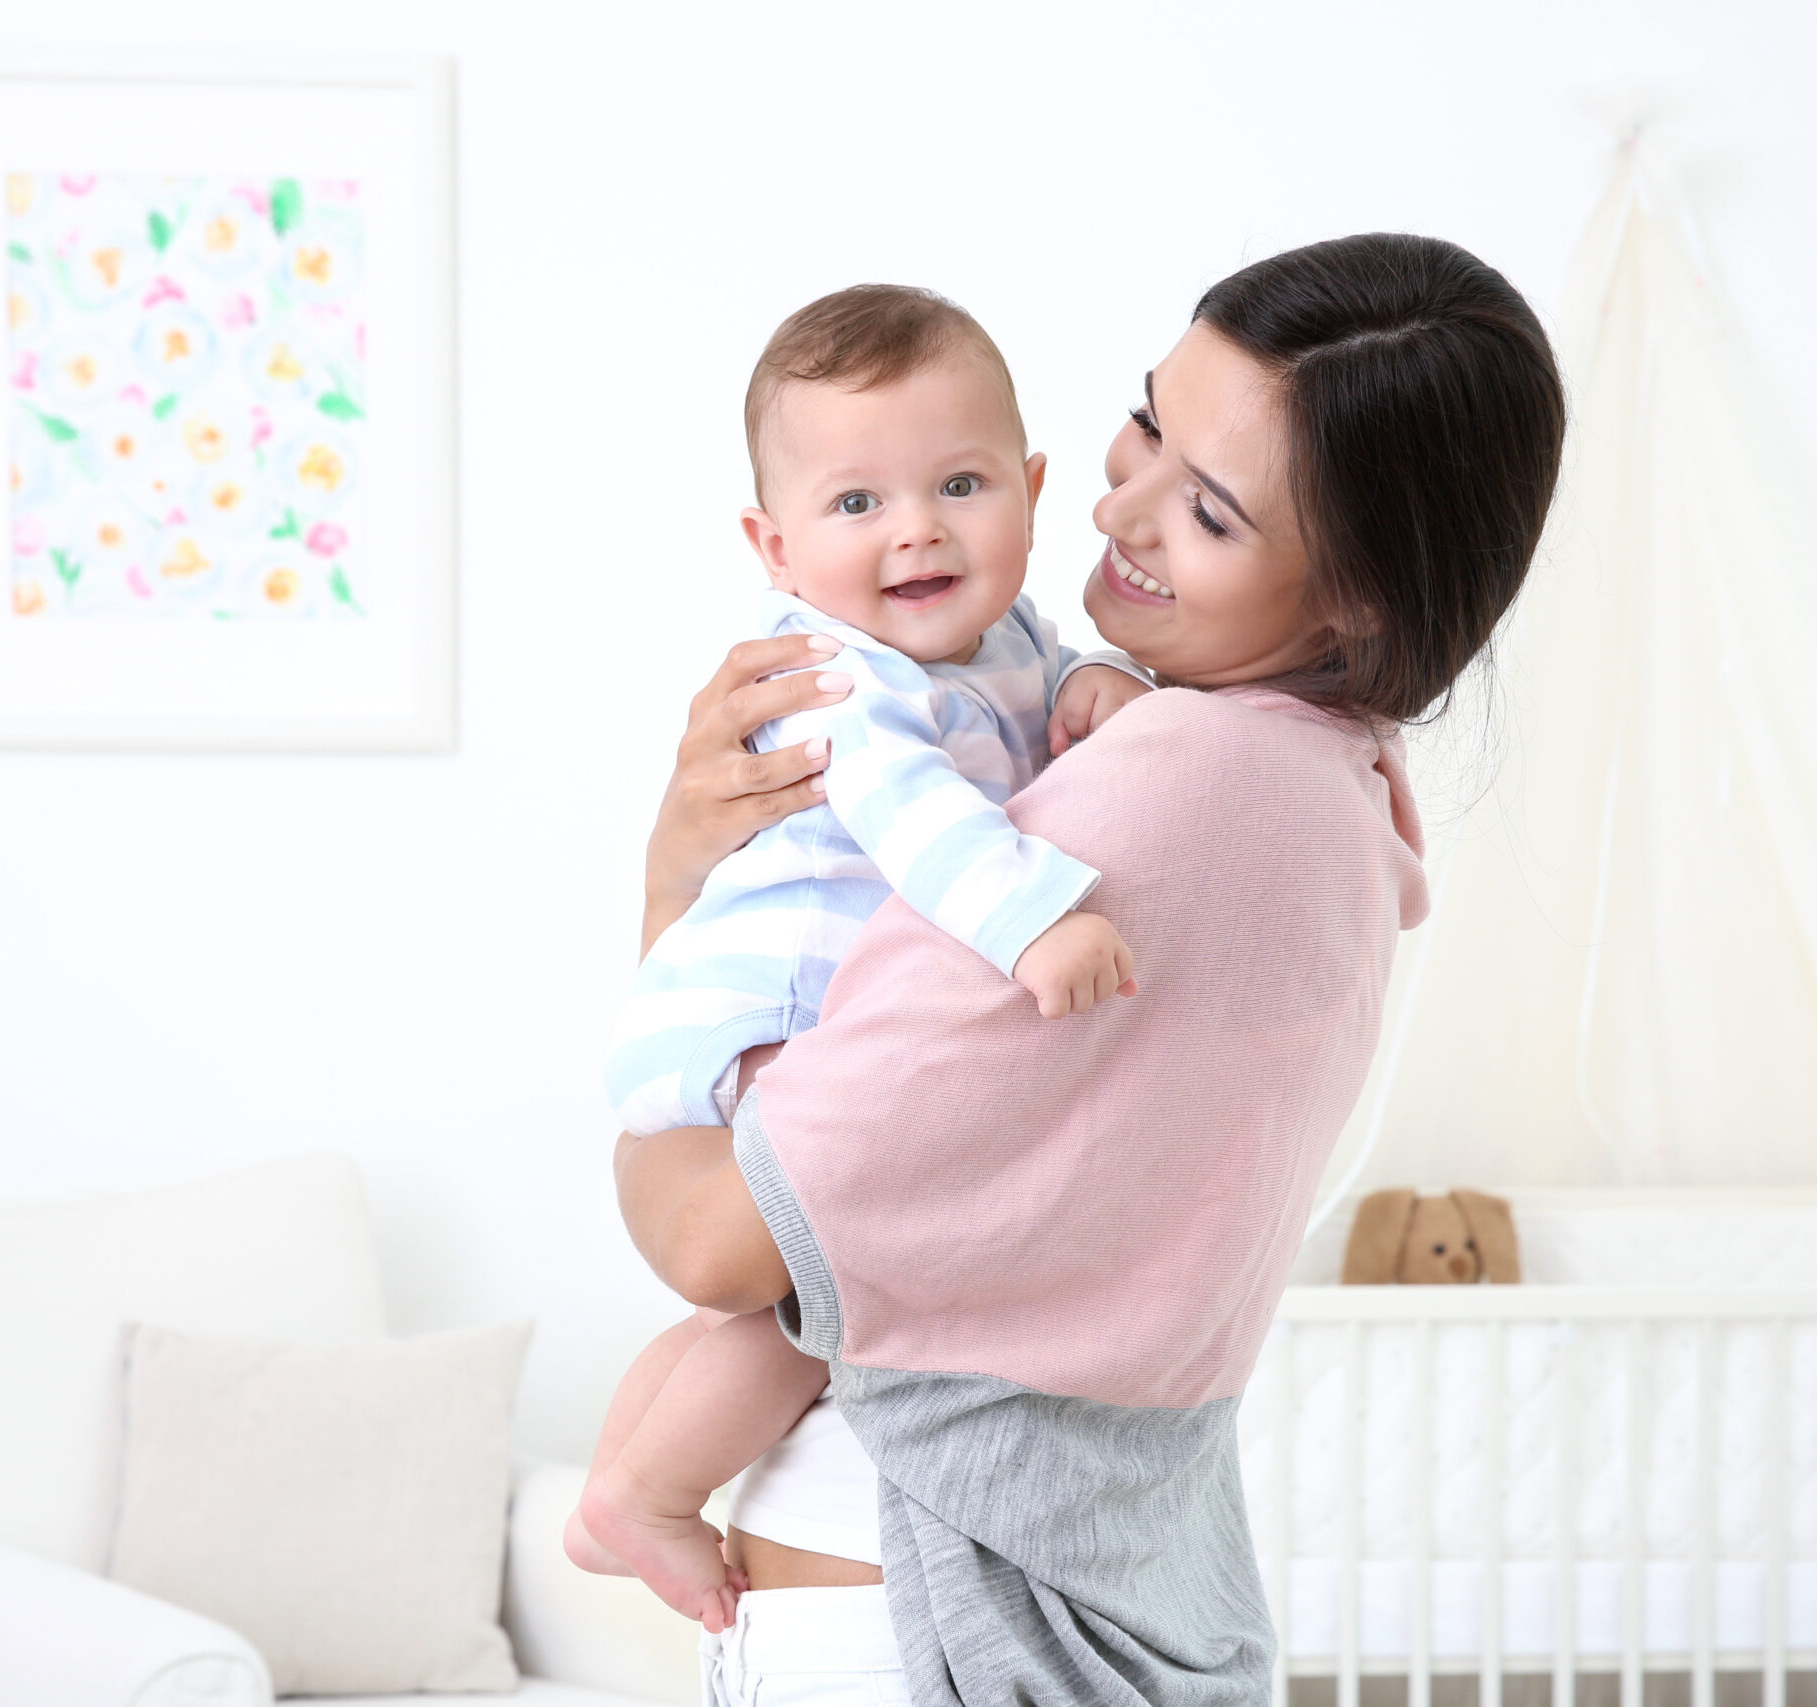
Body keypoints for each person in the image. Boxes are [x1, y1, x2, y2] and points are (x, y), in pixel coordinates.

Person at [617, 233, 1566, 1706]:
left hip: (918, 1608)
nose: (1122, 506)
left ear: (1361, 597)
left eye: (1210, 508)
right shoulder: (1323, 786)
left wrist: (674, 899)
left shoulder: (1162, 789)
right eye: (1148, 423)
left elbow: (717, 1239)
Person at [579, 283, 1154, 1629]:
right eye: (856, 506)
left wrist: (1088, 690)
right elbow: (920, 813)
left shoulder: (997, 638)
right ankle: (657, 1494)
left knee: (799, 1297)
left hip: (806, 1007)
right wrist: (1038, 921)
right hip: (771, 1009)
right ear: (773, 547)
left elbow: (1039, 682)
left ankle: (622, 1476)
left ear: (1031, 486)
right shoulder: (836, 679)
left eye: (960, 483)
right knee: (845, 1289)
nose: (917, 530)